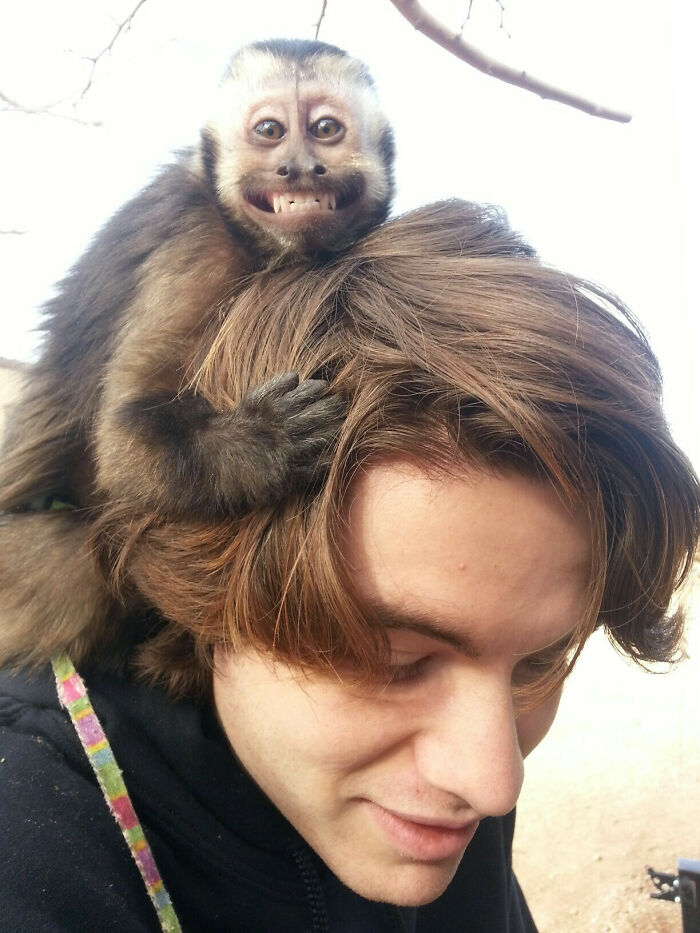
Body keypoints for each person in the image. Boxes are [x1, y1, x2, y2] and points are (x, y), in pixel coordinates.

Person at [0, 200, 697, 932]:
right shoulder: (34, 840)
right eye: (392, 658)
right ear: (210, 595)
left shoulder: (441, 777)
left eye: (541, 661)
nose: (494, 783)